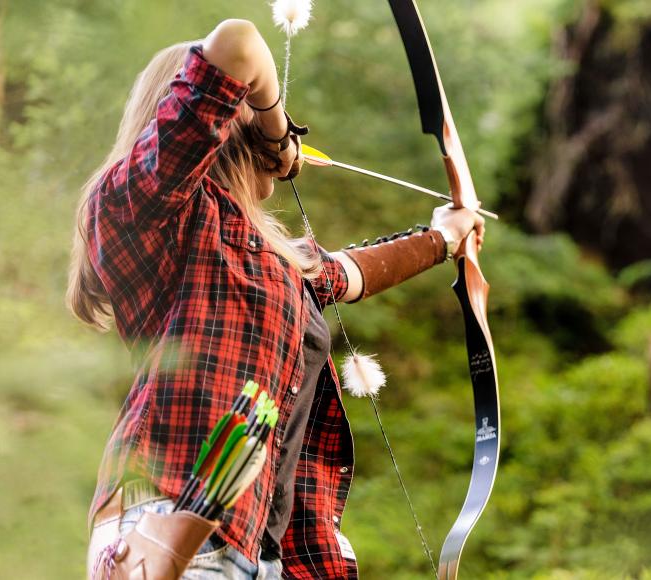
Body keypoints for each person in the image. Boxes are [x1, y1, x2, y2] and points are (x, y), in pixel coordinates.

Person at [69, 19, 484, 579]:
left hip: (255, 554)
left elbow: (343, 274)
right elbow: (238, 44)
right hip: (169, 531)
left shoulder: (265, 261)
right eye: (256, 106)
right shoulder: (147, 210)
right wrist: (274, 126)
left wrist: (445, 238)